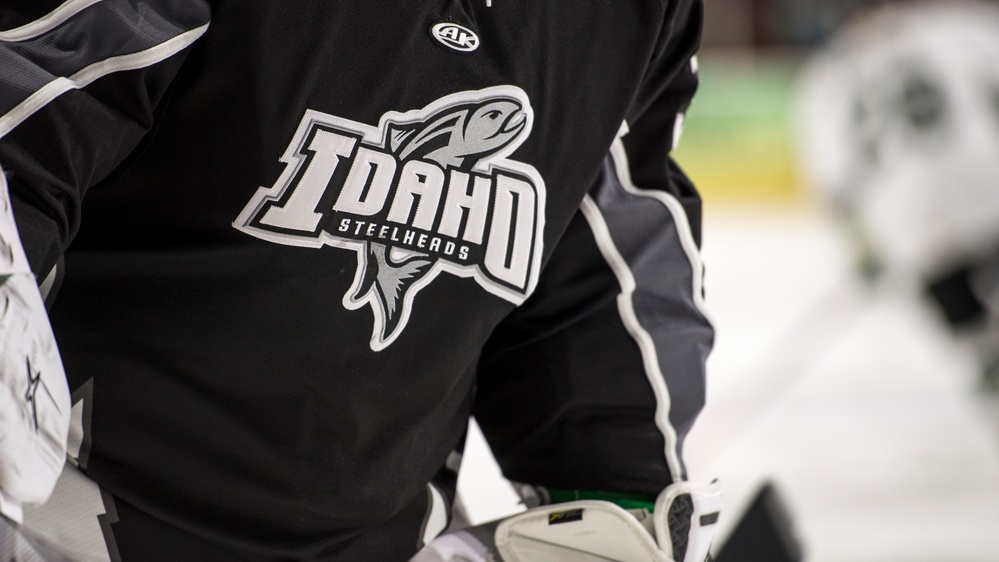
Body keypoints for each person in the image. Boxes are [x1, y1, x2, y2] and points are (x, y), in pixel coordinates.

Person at [0, 1, 719, 560]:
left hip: (382, 541)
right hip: (61, 531)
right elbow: (30, 99)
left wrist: (621, 486)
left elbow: (595, 262)